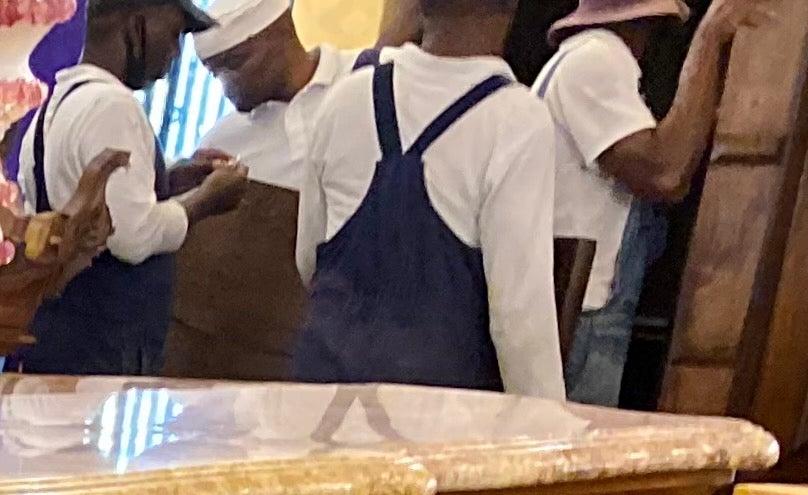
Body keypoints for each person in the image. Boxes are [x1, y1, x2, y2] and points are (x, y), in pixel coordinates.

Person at [290, 0, 563, 396]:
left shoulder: (345, 97)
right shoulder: (516, 119)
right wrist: (549, 434)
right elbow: (518, 317)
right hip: (432, 416)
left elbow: (309, 261)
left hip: (320, 395)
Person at [19, 0, 252, 376]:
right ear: (136, 26)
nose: (176, 53)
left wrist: (169, 183)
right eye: (174, 35)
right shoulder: (112, 106)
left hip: (59, 334)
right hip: (99, 347)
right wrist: (208, 199)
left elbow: (100, 201)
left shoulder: (62, 100)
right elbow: (133, 236)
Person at [538, 0, 753, 405]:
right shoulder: (596, 59)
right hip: (585, 316)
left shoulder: (588, 60)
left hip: (586, 312)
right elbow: (665, 173)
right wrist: (708, 40)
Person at [164, 0, 365, 375]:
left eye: (236, 64)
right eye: (214, 73)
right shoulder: (225, 141)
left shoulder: (364, 86)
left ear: (279, 31)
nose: (227, 87)